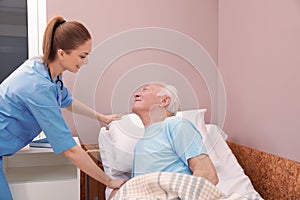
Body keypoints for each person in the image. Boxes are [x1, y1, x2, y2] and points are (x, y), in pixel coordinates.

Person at [0, 16, 125, 200]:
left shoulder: (48, 71)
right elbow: (70, 150)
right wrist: (108, 181)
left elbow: (67, 101)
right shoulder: (37, 85)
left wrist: (102, 117)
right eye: (82, 56)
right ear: (61, 53)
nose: (85, 62)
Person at [131, 82, 219, 184]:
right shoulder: (140, 143)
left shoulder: (176, 124)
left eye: (145, 90)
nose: (136, 94)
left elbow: (208, 176)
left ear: (164, 101)